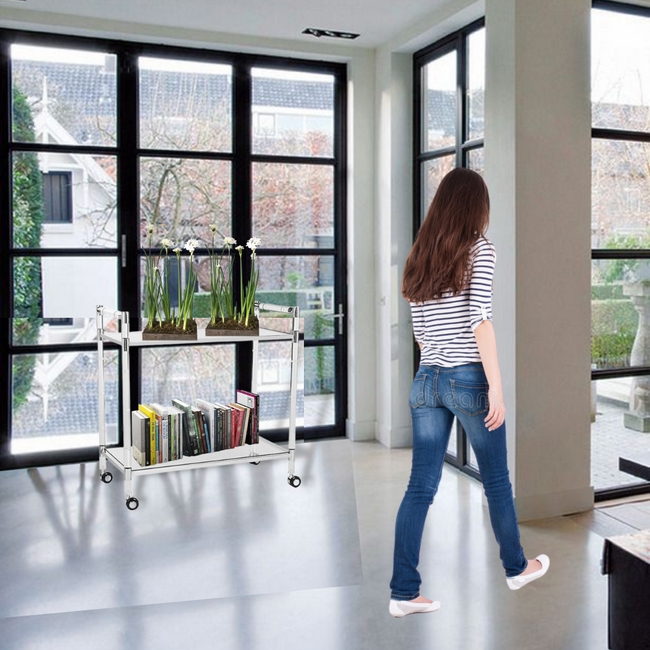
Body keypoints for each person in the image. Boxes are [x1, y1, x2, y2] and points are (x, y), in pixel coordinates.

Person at [388, 167, 549, 619]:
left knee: (419, 488)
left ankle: (403, 591)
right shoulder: (480, 249)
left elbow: (421, 331)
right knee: (496, 480)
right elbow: (480, 318)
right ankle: (517, 567)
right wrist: (496, 387)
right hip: (467, 379)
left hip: (426, 379)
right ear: (475, 207)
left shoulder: (420, 255)